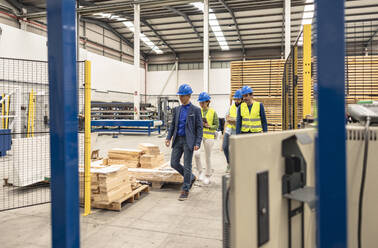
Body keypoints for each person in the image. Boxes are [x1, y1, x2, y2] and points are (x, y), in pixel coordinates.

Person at [165, 84, 203, 201]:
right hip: (177, 140)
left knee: (187, 166)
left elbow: (199, 128)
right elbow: (173, 125)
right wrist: (168, 137)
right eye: (180, 96)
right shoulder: (177, 109)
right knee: (173, 163)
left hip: (189, 141)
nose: (181, 98)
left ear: (189, 96)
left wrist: (197, 142)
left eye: (183, 96)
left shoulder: (196, 110)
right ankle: (191, 177)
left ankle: (185, 189)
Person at [194, 92, 219, 185]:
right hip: (199, 136)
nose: (201, 104)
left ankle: (208, 175)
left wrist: (209, 126)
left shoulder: (213, 112)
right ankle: (200, 172)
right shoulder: (198, 111)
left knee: (207, 157)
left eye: (203, 102)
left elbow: (217, 125)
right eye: (200, 102)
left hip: (209, 137)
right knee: (196, 154)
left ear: (208, 102)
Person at [222, 89, 243, 172]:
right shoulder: (231, 107)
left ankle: (237, 166)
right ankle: (229, 163)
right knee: (225, 147)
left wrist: (234, 120)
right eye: (235, 99)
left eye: (238, 99)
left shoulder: (243, 107)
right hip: (229, 130)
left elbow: (242, 120)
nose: (236, 101)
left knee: (237, 150)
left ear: (241, 99)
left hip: (238, 131)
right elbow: (226, 118)